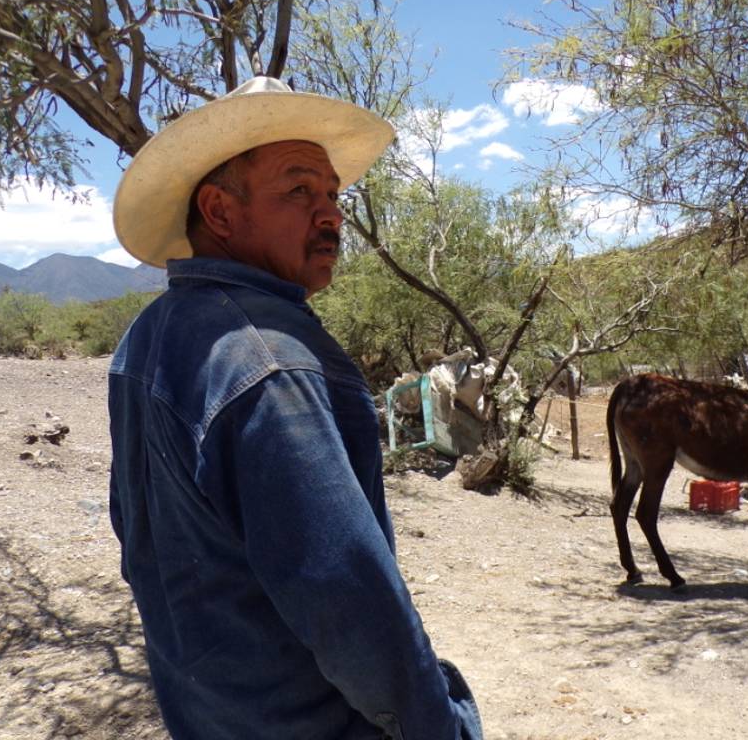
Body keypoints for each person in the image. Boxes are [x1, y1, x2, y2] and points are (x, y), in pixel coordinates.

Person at [107, 76, 482, 740]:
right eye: (300, 190)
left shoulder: (146, 337)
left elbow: (136, 536)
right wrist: (439, 724)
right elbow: (348, 598)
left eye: (334, 194)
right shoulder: (270, 360)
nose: (332, 214)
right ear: (221, 212)